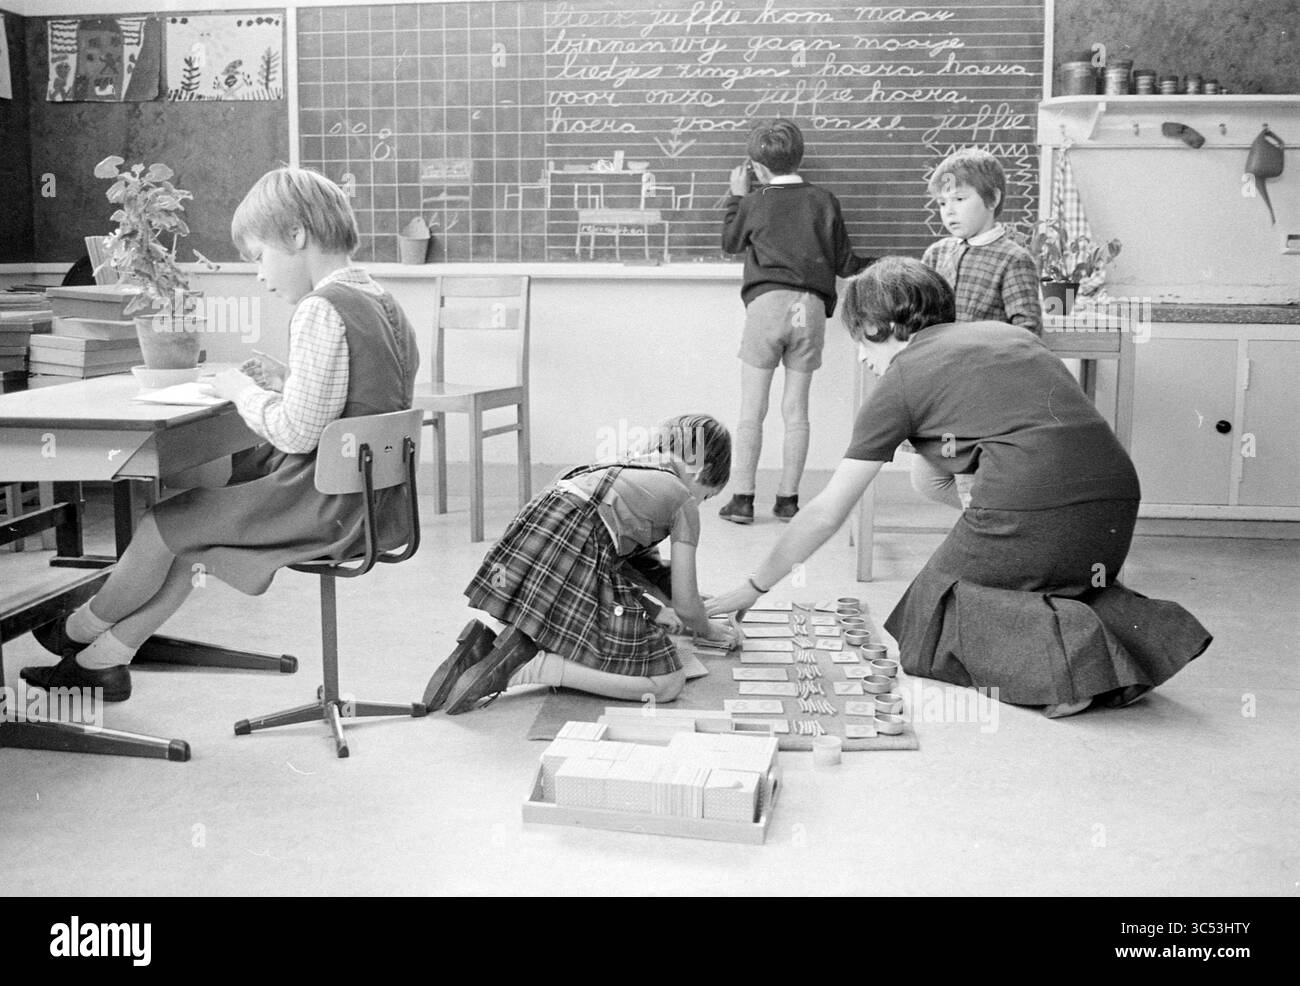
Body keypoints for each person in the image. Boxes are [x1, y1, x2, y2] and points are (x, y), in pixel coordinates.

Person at [708, 258, 1210, 718]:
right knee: (1062, 584)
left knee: (928, 618)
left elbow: (826, 511)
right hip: (1116, 505)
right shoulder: (1005, 334)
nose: (862, 357)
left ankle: (1068, 676)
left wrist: (754, 586)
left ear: (880, 326)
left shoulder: (900, 380)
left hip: (1035, 505)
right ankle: (1142, 647)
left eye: (861, 339)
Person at [21, 167, 419, 702]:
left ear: (297, 235)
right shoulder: (385, 303)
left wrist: (238, 389)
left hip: (325, 504)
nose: (258, 274)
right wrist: (286, 380)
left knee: (167, 522)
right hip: (373, 502)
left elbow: (298, 433)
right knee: (194, 542)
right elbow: (361, 401)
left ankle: (78, 629)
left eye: (257, 256)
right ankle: (101, 660)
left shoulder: (320, 310)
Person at [424, 414, 739, 716]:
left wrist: (676, 609)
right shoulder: (681, 498)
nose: (699, 502)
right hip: (573, 551)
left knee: (587, 634)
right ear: (703, 470)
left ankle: (488, 643)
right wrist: (705, 626)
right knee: (667, 683)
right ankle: (527, 665)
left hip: (535, 548)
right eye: (706, 497)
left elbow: (635, 571)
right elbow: (684, 604)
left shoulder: (620, 468)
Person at [718, 118, 873, 526]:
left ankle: (742, 499)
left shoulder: (755, 200)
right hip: (809, 309)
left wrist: (737, 197)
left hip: (767, 306)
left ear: (757, 168)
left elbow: (731, 243)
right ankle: (788, 501)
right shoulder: (823, 199)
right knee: (796, 411)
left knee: (752, 410)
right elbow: (846, 264)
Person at [922, 148, 1042, 334]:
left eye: (959, 199)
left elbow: (1027, 332)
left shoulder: (1014, 259)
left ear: (992, 199)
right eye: (942, 203)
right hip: (938, 359)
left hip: (988, 361)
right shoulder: (936, 254)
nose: (949, 211)